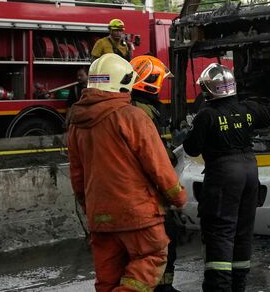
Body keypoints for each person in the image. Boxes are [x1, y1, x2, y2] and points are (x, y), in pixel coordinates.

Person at [68, 53, 187, 292]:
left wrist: (89, 206)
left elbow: (77, 176)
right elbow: (158, 165)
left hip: (100, 218)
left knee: (108, 280)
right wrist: (178, 197)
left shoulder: (76, 124)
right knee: (152, 256)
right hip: (138, 214)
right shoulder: (133, 117)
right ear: (123, 82)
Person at [183, 62, 270, 291]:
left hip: (223, 174)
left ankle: (219, 287)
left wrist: (190, 130)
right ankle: (238, 284)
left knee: (221, 230)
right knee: (243, 229)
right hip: (250, 171)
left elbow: (191, 149)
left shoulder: (206, 115)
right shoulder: (248, 109)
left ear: (207, 90)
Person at [129, 55, 181, 292]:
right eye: (160, 81)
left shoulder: (135, 108)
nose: (162, 87)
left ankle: (162, 286)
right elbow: (153, 156)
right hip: (147, 193)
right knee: (165, 238)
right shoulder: (142, 112)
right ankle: (162, 288)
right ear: (149, 82)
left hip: (136, 193)